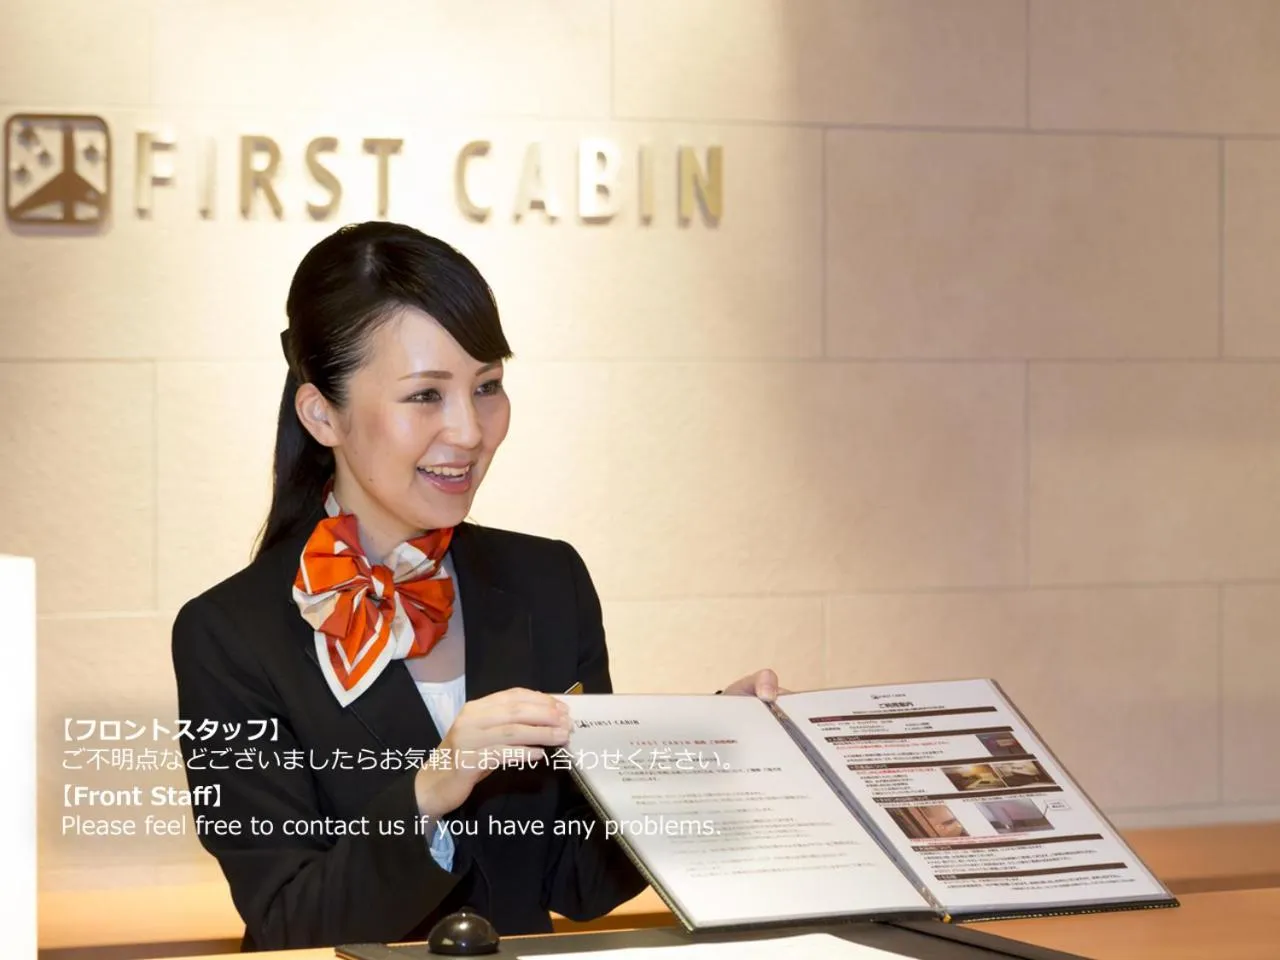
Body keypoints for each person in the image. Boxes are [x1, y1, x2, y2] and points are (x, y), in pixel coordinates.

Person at [171, 221, 783, 952]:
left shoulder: (548, 580)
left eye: (487, 386)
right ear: (321, 414)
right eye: (426, 395)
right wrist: (434, 788)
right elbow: (286, 919)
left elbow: (576, 879)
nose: (469, 430)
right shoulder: (228, 635)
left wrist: (711, 756)